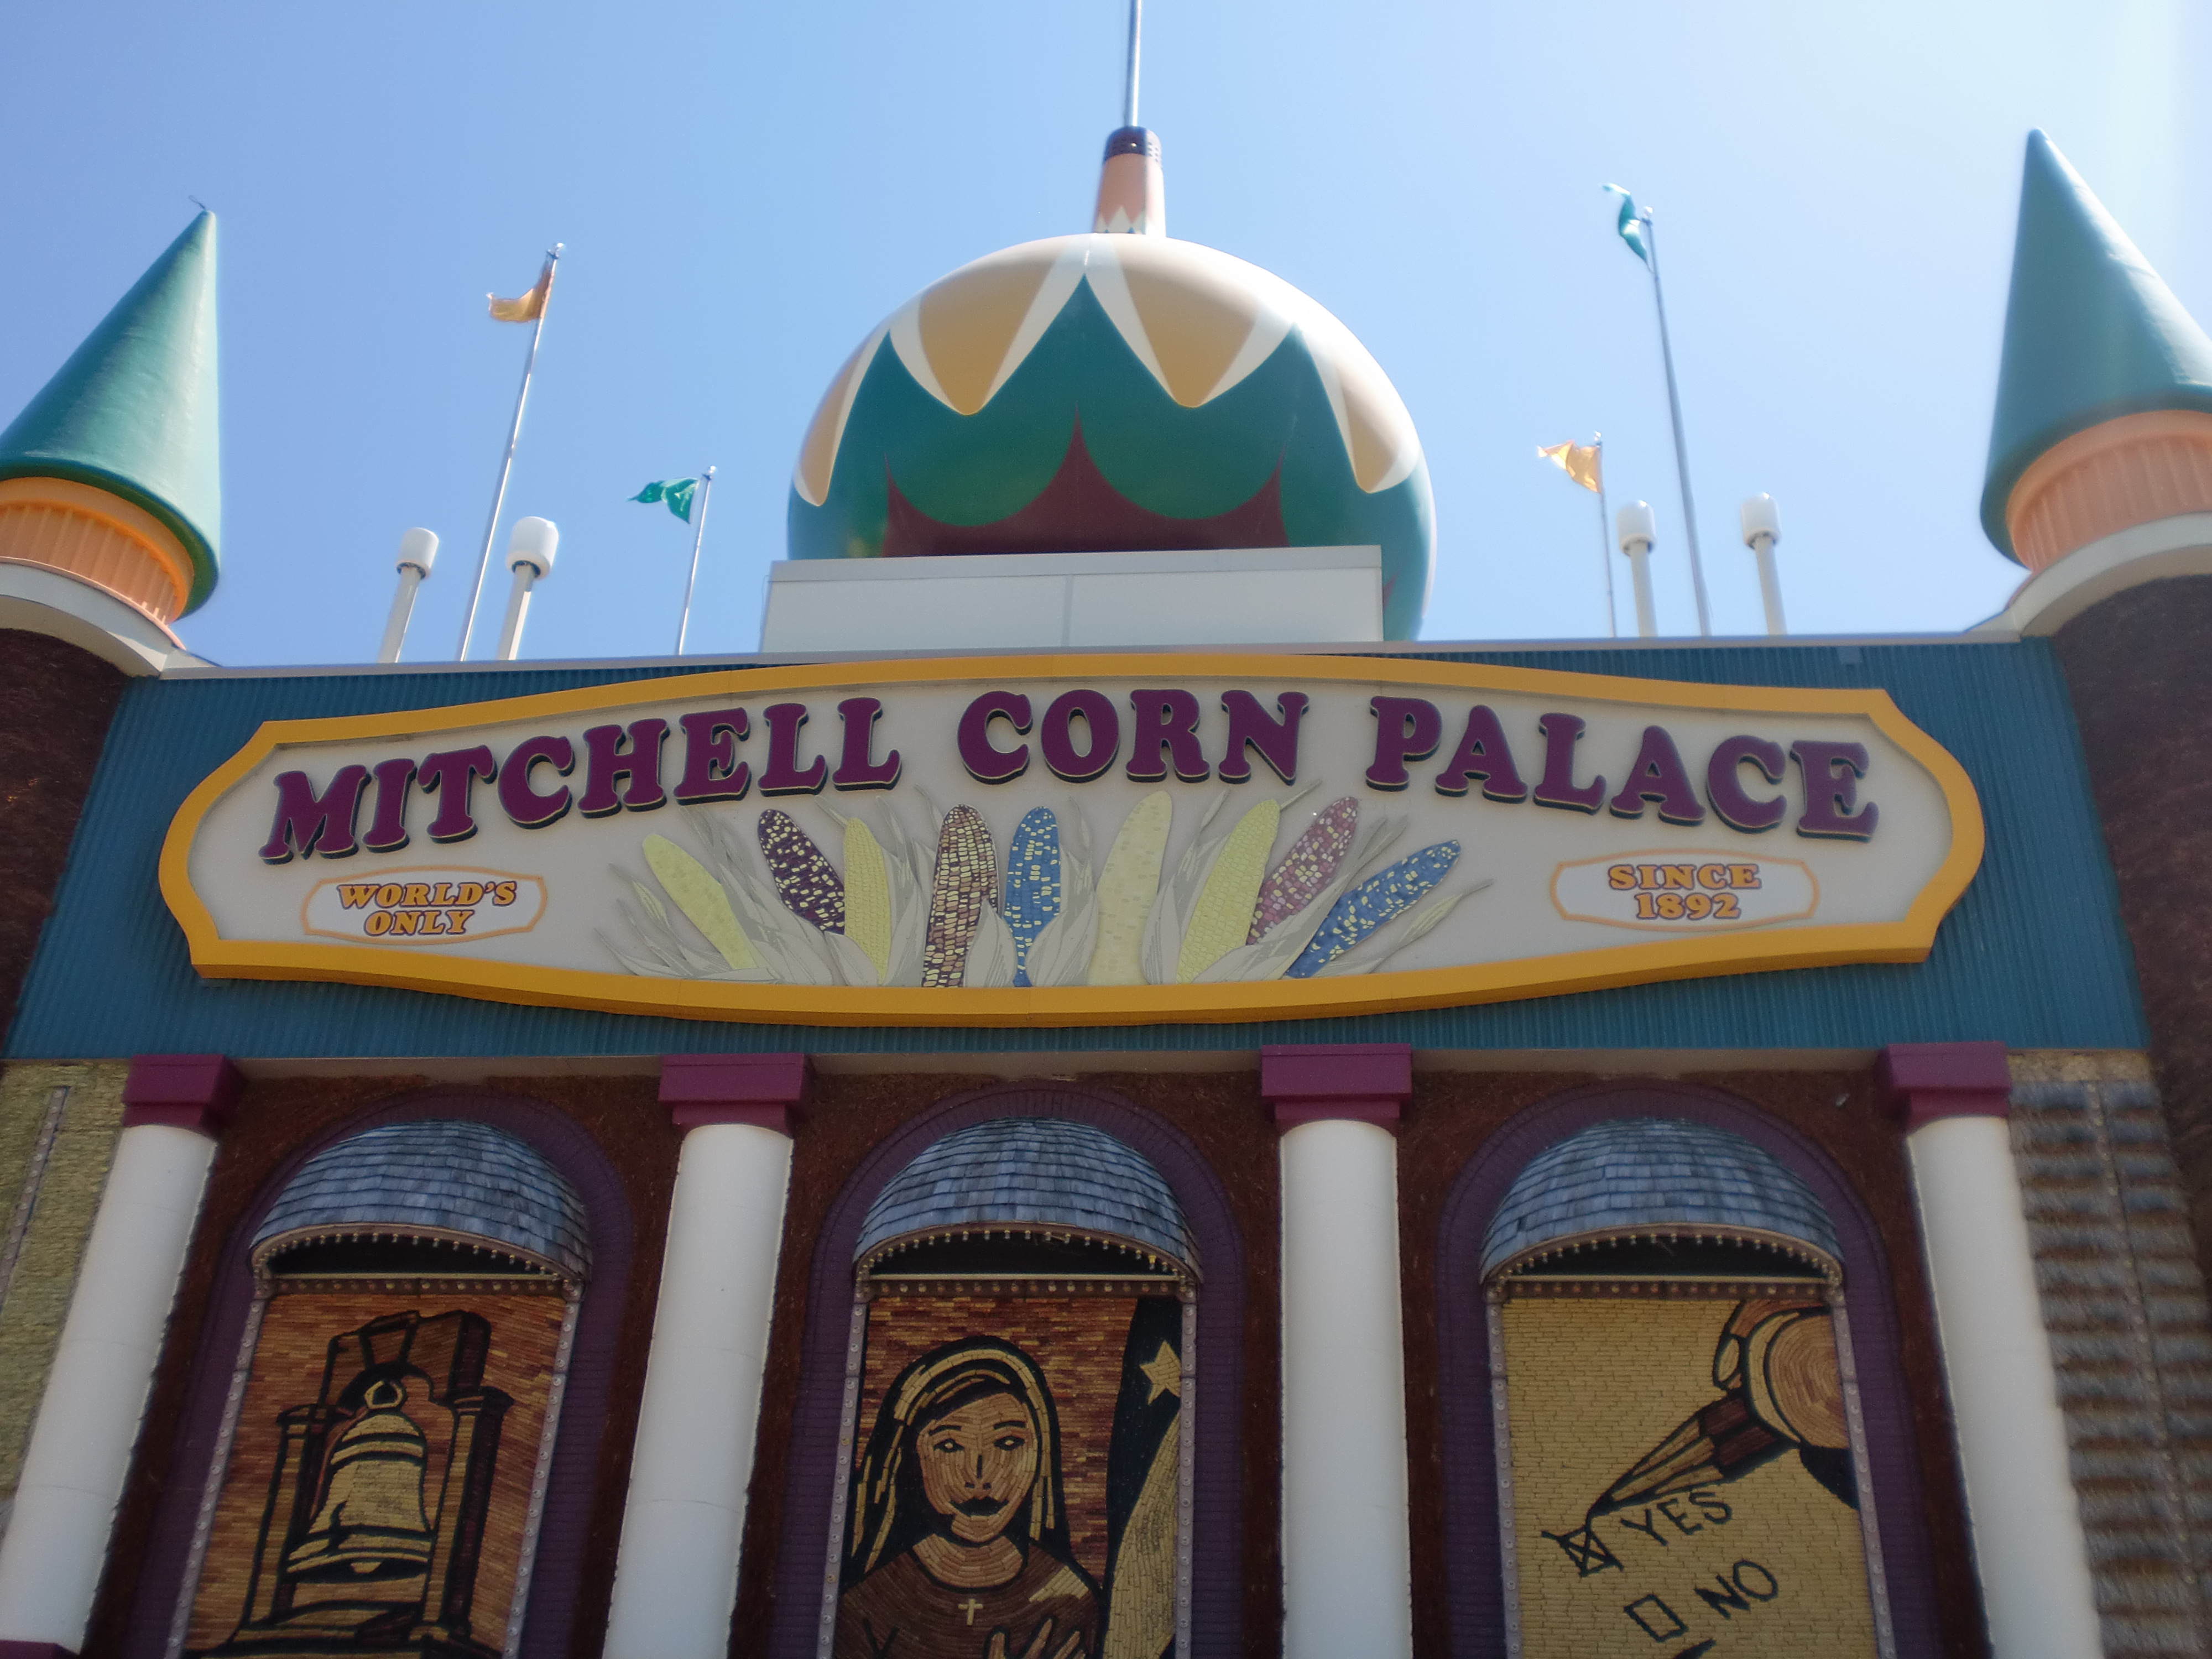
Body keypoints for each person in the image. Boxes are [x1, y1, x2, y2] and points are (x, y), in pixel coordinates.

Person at [837, 1337, 1102, 1659]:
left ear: (1039, 1456)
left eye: (1007, 1443)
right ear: (909, 1458)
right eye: (949, 1445)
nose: (979, 1474)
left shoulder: (1069, 1598)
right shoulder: (868, 1605)